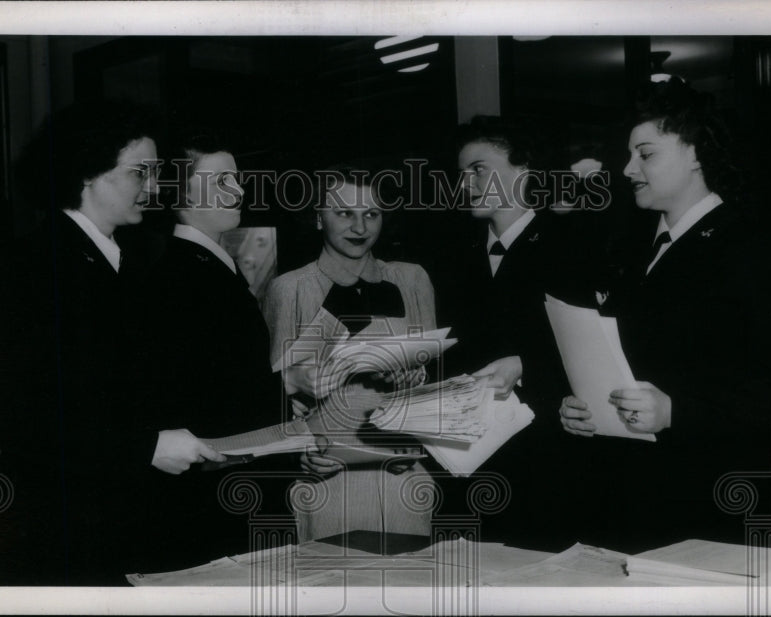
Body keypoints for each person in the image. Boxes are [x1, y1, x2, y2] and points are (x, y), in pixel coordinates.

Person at [558, 78, 771, 552]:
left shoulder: (754, 247)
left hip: (707, 505)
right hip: (620, 501)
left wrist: (679, 411)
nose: (628, 167)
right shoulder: (629, 249)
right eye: (629, 154)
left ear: (696, 154)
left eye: (646, 154)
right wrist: (578, 405)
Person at [0, 101, 227, 586]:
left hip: (118, 522)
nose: (154, 188)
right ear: (86, 171)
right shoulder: (32, 265)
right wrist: (144, 447)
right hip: (58, 530)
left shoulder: (124, 258)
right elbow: (13, 418)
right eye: (140, 173)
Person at [125, 129, 289, 571]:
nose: (238, 190)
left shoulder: (208, 265)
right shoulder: (184, 276)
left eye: (236, 179)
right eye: (220, 182)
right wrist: (288, 385)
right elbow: (204, 400)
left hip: (225, 487)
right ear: (178, 192)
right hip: (211, 498)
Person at [433, 116, 591, 550]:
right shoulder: (451, 256)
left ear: (522, 170)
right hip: (464, 465)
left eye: (479, 169)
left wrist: (526, 366)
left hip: (546, 462)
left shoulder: (570, 247)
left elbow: (595, 356)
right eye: (462, 173)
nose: (466, 183)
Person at [262, 168, 436, 542]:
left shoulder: (412, 280)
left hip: (404, 482)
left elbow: (432, 383)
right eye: (344, 213)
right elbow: (274, 399)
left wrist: (412, 386)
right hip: (327, 487)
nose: (360, 226)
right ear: (317, 216)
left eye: (371, 214)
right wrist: (300, 456)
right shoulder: (289, 289)